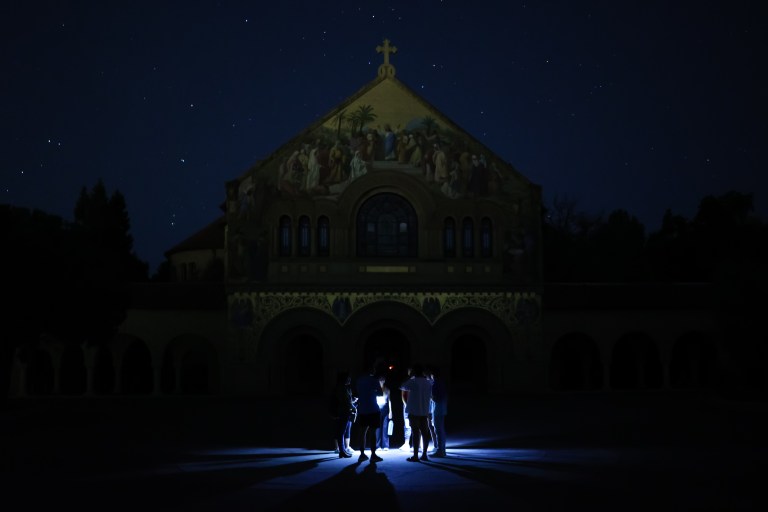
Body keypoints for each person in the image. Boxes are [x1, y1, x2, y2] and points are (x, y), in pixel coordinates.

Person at [400, 363, 433, 462]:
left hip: (414, 410)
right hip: (424, 410)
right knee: (425, 432)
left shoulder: (412, 381)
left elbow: (402, 386)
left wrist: (410, 377)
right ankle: (424, 454)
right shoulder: (429, 382)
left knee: (415, 433)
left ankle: (415, 456)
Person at [355, 363, 385, 463]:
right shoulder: (374, 380)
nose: (375, 370)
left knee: (362, 432)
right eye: (373, 368)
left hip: (362, 409)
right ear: (370, 369)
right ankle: (373, 454)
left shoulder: (359, 380)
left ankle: (362, 454)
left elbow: (357, 393)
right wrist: (372, 392)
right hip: (373, 408)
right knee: (373, 433)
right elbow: (380, 393)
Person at [330, 370, 356, 458]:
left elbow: (347, 400)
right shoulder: (342, 388)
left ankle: (343, 450)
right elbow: (345, 401)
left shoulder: (344, 387)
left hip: (344, 411)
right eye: (348, 378)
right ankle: (342, 451)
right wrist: (353, 406)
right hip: (343, 411)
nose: (350, 379)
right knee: (341, 431)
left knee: (342, 431)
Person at [429, 366, 448, 457]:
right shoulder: (442, 383)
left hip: (437, 410)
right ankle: (442, 450)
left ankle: (440, 451)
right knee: (441, 430)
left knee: (438, 430)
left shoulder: (435, 384)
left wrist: (429, 396)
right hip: (442, 409)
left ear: (433, 375)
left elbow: (435, 398)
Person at [376, 371, 392, 451]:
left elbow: (389, 401)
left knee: (385, 427)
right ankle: (377, 445)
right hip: (377, 409)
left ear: (384, 381)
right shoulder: (375, 389)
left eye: (382, 380)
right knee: (377, 428)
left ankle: (386, 445)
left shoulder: (387, 390)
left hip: (385, 409)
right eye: (380, 380)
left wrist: (390, 411)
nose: (381, 382)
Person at [399, 365, 413, 451]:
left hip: (413, 405)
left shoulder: (414, 381)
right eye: (409, 370)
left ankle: (418, 444)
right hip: (408, 406)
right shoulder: (406, 381)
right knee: (407, 424)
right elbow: (403, 395)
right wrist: (405, 405)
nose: (410, 372)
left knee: (415, 424)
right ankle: (407, 443)